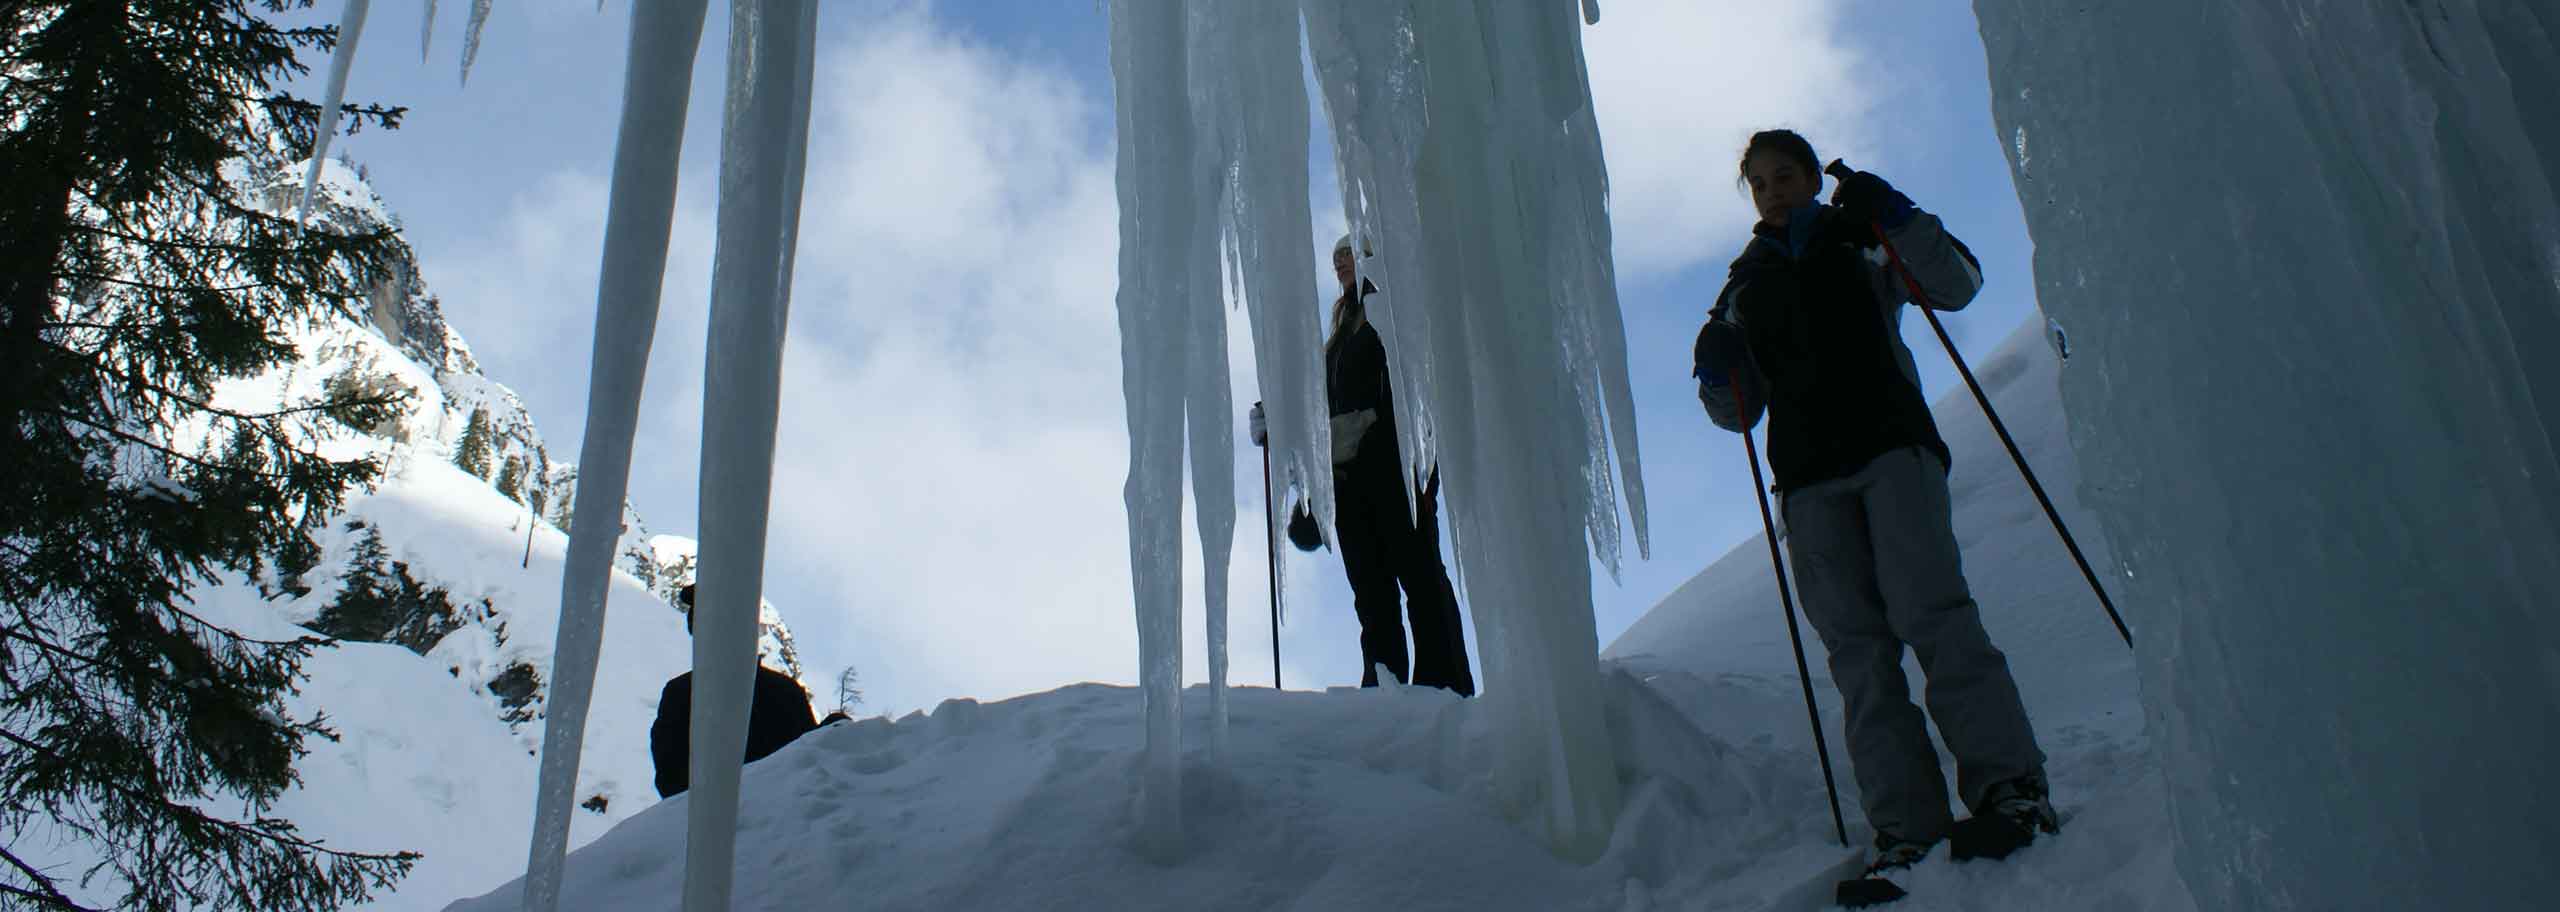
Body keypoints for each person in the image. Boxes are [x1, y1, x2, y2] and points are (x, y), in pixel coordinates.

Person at [1691, 130, 2056, 879]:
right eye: (1758, 182)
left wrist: (1897, 214)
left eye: (1785, 175)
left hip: (1892, 447)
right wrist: (1716, 374)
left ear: (1810, 178)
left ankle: (2010, 788)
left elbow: (1955, 284)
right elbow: (1738, 414)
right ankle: (1906, 828)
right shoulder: (1741, 289)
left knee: (1933, 615)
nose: (1773, 190)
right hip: (1806, 479)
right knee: (1858, 653)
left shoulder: (1862, 235)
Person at [1252, 235, 1474, 696]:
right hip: (1351, 482)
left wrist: (1359, 433)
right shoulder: (1338, 338)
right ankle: (1383, 694)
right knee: (1373, 599)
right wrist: (1278, 420)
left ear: (1373, 256)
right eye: (1336, 257)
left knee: (1421, 580)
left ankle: (1444, 689)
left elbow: (1404, 392)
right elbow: (1319, 407)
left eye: (1349, 252)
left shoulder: (1391, 315)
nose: (1339, 262)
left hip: (1397, 471)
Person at [650, 583, 821, 799]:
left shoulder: (682, 692)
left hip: (713, 822)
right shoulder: (784, 690)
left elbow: (670, 779)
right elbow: (809, 763)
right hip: (778, 816)